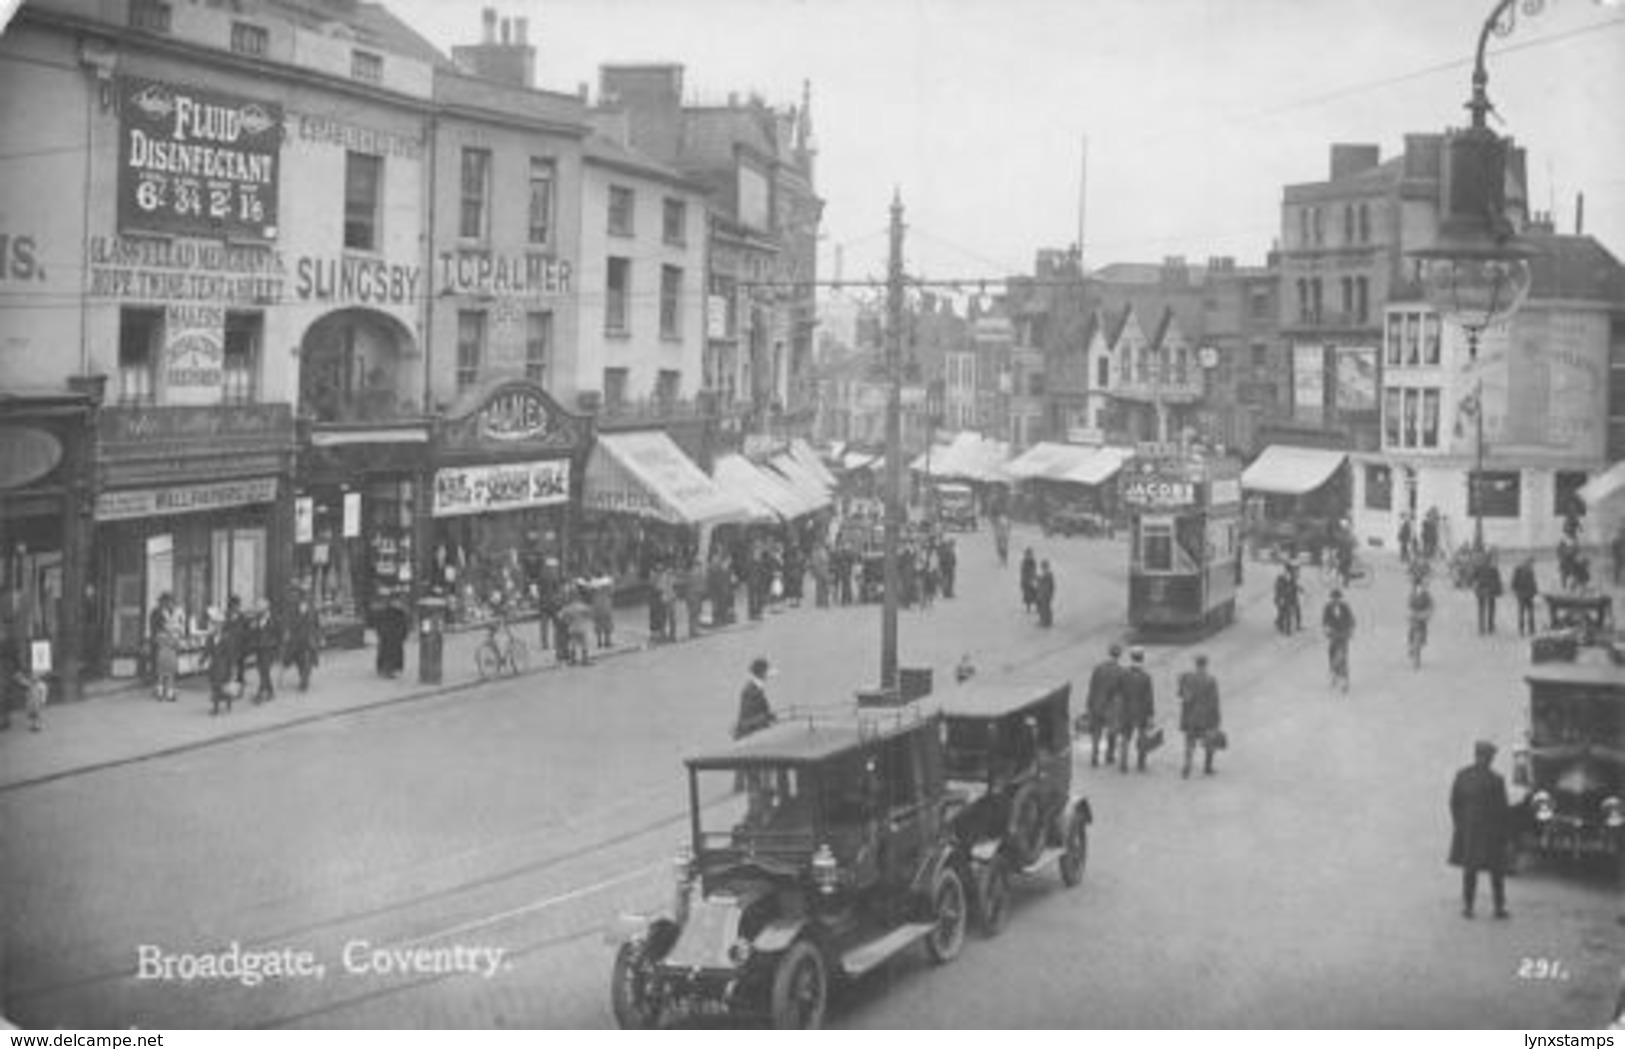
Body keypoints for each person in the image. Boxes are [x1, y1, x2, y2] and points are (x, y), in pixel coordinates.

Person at [1449, 740, 1512, 919]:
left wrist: (1460, 825)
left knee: (1477, 871)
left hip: (1475, 831)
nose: (1488, 760)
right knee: (1490, 871)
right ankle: (1491, 907)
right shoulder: (1494, 780)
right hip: (1485, 831)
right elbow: (1503, 810)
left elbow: (1454, 803)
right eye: (1487, 757)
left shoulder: (1464, 776)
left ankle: (1476, 907)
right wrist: (1506, 835)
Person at [1177, 654, 1222, 778]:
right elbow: (1214, 702)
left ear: (1196, 664)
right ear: (1205, 665)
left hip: (1191, 717)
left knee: (1189, 741)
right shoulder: (1211, 680)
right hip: (1206, 718)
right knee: (1210, 741)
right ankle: (1207, 767)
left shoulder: (1188, 678)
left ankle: (1187, 764)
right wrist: (1217, 719)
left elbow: (1182, 695)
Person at [1083, 644, 1124, 767]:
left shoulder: (1098, 668)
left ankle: (1094, 755)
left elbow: (1092, 687)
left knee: (1096, 730)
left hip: (1097, 704)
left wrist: (1089, 704)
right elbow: (1121, 692)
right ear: (1119, 655)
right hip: (1111, 707)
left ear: (1109, 653)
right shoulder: (1121, 671)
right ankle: (1109, 755)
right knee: (1112, 731)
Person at [1115, 648, 1155, 773]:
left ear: (1131, 658)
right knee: (1142, 737)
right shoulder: (1146, 677)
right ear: (1142, 659)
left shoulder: (1123, 674)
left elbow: (1118, 692)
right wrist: (1150, 714)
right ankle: (1141, 764)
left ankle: (1123, 764)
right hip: (1141, 711)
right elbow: (1149, 698)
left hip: (1126, 710)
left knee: (1125, 738)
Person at [284, 585, 322, 692]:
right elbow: (290, 622)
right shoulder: (293, 607)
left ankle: (304, 680)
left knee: (307, 660)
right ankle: (302, 676)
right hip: (297, 638)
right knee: (299, 660)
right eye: (304, 595)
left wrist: (319, 636)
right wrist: (288, 632)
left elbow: (317, 624)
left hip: (309, 638)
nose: (306, 597)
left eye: (308, 595)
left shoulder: (313, 608)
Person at [205, 610, 239, 716]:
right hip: (214, 664)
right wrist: (201, 660)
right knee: (214, 685)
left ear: (221, 625)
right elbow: (207, 650)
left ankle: (217, 707)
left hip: (223, 664)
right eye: (213, 624)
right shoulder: (210, 637)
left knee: (219, 684)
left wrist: (233, 666)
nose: (214, 626)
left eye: (216, 624)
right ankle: (220, 703)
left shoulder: (227, 637)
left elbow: (231, 653)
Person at [150, 592, 182, 703]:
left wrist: (176, 635)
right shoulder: (157, 613)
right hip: (161, 644)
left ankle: (168, 692)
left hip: (171, 644)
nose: (170, 604)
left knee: (170, 670)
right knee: (161, 670)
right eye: (167, 601)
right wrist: (163, 635)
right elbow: (155, 629)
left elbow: (178, 626)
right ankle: (160, 690)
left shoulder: (173, 612)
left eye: (171, 602)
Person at [734, 656, 776, 739]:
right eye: (767, 671)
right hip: (748, 735)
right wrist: (767, 717)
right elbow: (747, 719)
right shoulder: (750, 691)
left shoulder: (755, 688)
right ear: (762, 673)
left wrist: (769, 716)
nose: (768, 676)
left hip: (755, 732)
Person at [1322, 588, 1355, 692]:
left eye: (1337, 598)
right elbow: (1325, 621)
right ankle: (1334, 674)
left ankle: (1345, 680)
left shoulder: (1345, 607)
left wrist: (1350, 630)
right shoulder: (1327, 607)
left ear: (1340, 598)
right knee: (1332, 655)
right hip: (1333, 635)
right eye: (1333, 598)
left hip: (1343, 635)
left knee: (1343, 657)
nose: (1335, 600)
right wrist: (1327, 630)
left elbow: (1351, 620)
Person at [249, 600, 280, 704]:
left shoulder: (273, 620)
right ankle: (270, 691)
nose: (258, 612)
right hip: (259, 649)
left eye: (260, 610)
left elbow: (277, 634)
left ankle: (260, 694)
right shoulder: (257, 620)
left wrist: (276, 648)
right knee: (262, 671)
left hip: (269, 649)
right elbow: (254, 634)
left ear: (265, 610)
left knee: (264, 670)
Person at [373, 600, 408, 678]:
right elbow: (404, 626)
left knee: (386, 652)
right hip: (392, 636)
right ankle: (391, 669)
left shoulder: (384, 613)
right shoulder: (399, 613)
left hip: (389, 636)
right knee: (392, 653)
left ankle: (385, 669)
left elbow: (378, 625)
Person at [1474, 550, 1503, 635]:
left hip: (1481, 590)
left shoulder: (1479, 566)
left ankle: (1481, 628)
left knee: (1481, 609)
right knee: (1491, 609)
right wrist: (1499, 591)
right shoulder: (1493, 568)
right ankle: (1490, 627)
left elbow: (1474, 577)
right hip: (1491, 590)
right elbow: (1497, 580)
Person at [1407, 580, 1435, 666]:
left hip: (1423, 615)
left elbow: (1431, 606)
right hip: (1415, 614)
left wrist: (1428, 614)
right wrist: (1411, 613)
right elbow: (1409, 605)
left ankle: (1421, 642)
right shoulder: (1412, 595)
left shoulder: (1427, 596)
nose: (1419, 589)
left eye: (1421, 587)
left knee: (1423, 629)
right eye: (1417, 587)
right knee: (1412, 630)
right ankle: (1411, 645)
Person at [1511, 557, 1539, 637]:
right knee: (1530, 613)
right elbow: (1533, 584)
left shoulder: (1518, 570)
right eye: (1532, 563)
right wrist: (1535, 592)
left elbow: (1513, 583)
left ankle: (1521, 630)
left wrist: (1516, 592)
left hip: (1521, 595)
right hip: (1528, 595)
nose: (1533, 565)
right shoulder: (1529, 571)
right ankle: (1531, 630)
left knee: (1522, 613)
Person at [1273, 563, 1301, 636]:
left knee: (1295, 610)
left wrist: (1299, 588)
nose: (1293, 572)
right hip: (1282, 598)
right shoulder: (1281, 577)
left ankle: (1296, 626)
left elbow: (1294, 586)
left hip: (1289, 598)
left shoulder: (1291, 577)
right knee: (1283, 612)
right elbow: (1279, 589)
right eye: (1291, 570)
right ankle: (1281, 626)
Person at [1035, 560, 1056, 627]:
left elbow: (1051, 586)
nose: (1043, 569)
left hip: (1046, 595)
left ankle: (1047, 622)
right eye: (1043, 567)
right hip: (1041, 594)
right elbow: (1040, 583)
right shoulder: (1044, 575)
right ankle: (1043, 621)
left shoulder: (1049, 575)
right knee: (1041, 608)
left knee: (1046, 609)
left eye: (1045, 567)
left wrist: (1050, 594)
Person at [1019, 548, 1038, 613]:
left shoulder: (1033, 562)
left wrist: (1034, 578)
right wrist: (1023, 581)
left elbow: (1034, 570)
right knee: (1027, 596)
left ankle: (1037, 608)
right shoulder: (1024, 562)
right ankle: (1028, 608)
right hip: (1025, 581)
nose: (1028, 556)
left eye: (1030, 555)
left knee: (1035, 594)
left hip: (1031, 581)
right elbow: (1022, 572)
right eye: (1027, 555)